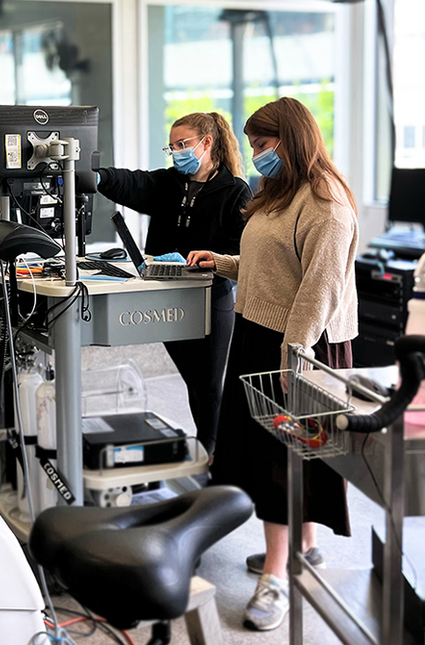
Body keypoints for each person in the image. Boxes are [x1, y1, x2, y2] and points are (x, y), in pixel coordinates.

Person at [188, 97, 358, 632]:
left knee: (280, 459)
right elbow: (272, 264)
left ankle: (275, 580)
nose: (256, 156)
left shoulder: (327, 204)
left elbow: (320, 289)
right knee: (286, 452)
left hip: (299, 343)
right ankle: (302, 550)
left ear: (291, 139)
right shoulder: (279, 192)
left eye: (262, 146)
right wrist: (223, 263)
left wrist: (295, 354)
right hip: (263, 334)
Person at [96, 111, 252, 456]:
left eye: (183, 145)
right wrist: (97, 177)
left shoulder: (235, 191)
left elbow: (240, 250)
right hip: (167, 297)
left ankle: (215, 456)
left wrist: (209, 257)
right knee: (193, 382)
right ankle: (209, 449)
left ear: (206, 143)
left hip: (211, 299)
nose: (177, 152)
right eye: (172, 147)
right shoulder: (169, 183)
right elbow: (132, 182)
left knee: (209, 387)